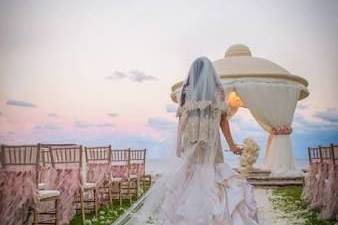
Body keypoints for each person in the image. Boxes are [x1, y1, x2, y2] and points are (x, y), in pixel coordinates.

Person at [129, 57, 260, 225]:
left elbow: (182, 121)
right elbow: (223, 121)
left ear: (193, 73)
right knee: (215, 179)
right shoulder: (217, 91)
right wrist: (231, 144)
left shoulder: (186, 92)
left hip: (192, 143)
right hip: (210, 144)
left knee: (191, 181)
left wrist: (179, 143)